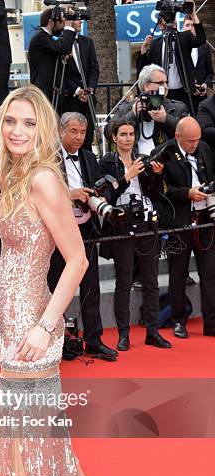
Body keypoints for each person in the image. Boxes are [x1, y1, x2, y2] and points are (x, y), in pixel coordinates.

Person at [0, 85, 142, 476]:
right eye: (12, 121)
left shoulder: (46, 179)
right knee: (25, 453)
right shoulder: (9, 177)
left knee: (42, 456)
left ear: (45, 129)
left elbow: (76, 260)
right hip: (12, 326)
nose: (18, 132)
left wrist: (46, 327)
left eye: (30, 124)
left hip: (34, 328)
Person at [48, 111, 118, 361]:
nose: (78, 137)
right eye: (73, 131)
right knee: (57, 288)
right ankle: (58, 342)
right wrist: (69, 193)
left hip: (86, 229)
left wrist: (96, 196)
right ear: (60, 131)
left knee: (91, 288)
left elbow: (98, 187)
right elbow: (40, 194)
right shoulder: (48, 158)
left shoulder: (89, 157)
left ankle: (94, 340)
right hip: (58, 232)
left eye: (82, 132)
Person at [99, 119, 172, 351]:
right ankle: (123, 334)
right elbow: (106, 196)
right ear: (114, 138)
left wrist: (157, 175)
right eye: (123, 134)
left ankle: (153, 331)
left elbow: (156, 192)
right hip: (122, 225)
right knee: (124, 282)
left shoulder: (143, 159)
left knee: (151, 281)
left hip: (146, 224)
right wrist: (126, 177)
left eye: (131, 134)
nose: (128, 138)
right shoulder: (107, 163)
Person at [157, 116, 215, 339]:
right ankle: (178, 320)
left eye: (197, 140)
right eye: (190, 141)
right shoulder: (165, 153)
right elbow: (160, 189)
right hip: (179, 220)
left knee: (209, 273)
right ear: (178, 136)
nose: (195, 144)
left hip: (204, 220)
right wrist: (186, 193)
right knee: (177, 273)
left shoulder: (205, 149)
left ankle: (211, 322)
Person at [137, 1, 205, 112]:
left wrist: (193, 15)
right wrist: (144, 50)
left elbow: (201, 39)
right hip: (161, 94)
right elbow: (145, 70)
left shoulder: (184, 37)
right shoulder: (155, 44)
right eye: (167, 18)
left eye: (173, 19)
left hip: (184, 92)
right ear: (159, 25)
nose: (171, 22)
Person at [112, 65, 188, 157]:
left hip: (166, 161)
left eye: (166, 82)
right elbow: (109, 131)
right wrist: (132, 115)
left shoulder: (177, 107)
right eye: (160, 83)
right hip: (134, 161)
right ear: (146, 86)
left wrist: (166, 119)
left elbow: (188, 133)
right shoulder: (126, 108)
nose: (165, 86)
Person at [28, 8, 81, 105]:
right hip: (44, 93)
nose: (62, 26)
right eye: (61, 22)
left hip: (50, 92)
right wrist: (68, 27)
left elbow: (60, 49)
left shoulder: (45, 38)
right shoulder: (41, 37)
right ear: (51, 22)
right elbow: (64, 48)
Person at [60, 24, 100, 151]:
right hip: (70, 100)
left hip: (88, 101)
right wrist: (77, 91)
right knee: (70, 139)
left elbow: (94, 68)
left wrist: (90, 90)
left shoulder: (87, 42)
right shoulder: (60, 43)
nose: (80, 22)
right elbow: (61, 73)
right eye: (76, 19)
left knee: (87, 138)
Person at [183, 15, 214, 115]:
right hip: (185, 95)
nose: (190, 28)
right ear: (183, 27)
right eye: (187, 25)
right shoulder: (179, 47)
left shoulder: (204, 46)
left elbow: (209, 72)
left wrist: (206, 84)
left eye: (192, 25)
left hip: (201, 97)